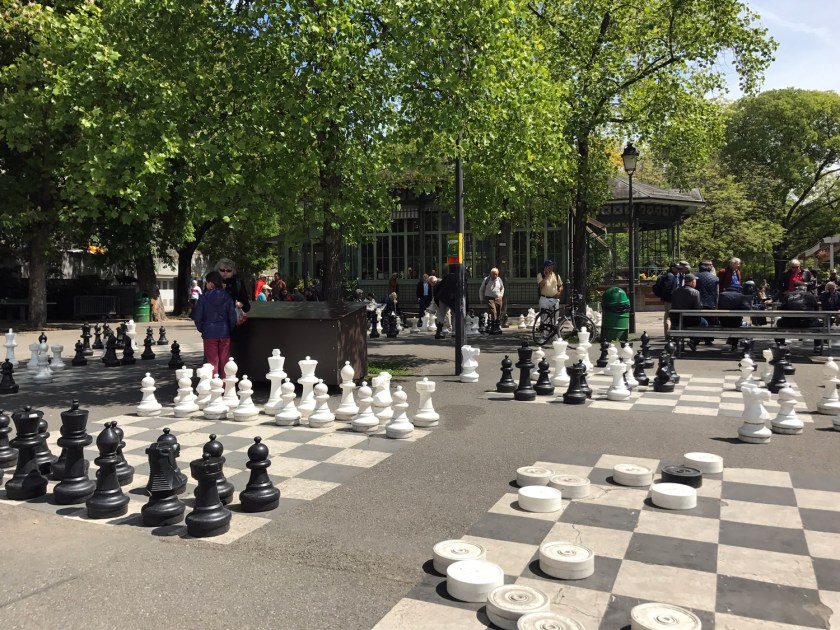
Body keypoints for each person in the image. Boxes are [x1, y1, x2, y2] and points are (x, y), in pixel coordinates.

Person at [193, 270, 237, 378]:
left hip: (209, 333)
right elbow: (232, 317)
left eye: (206, 282)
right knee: (225, 361)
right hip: (224, 332)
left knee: (212, 362)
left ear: (211, 283)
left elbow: (197, 317)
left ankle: (213, 387)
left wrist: (202, 328)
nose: (206, 285)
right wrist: (229, 329)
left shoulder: (203, 298)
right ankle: (224, 386)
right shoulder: (227, 297)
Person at [659, 261, 686, 339]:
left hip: (672, 299)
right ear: (672, 268)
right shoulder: (670, 276)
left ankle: (670, 333)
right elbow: (667, 289)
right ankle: (668, 334)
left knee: (671, 317)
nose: (679, 270)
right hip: (670, 300)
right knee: (668, 316)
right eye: (677, 268)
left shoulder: (676, 275)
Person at [695, 259, 719, 344]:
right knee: (709, 322)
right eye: (711, 265)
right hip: (711, 303)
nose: (712, 266)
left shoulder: (694, 277)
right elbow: (717, 293)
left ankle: (696, 338)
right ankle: (708, 339)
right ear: (707, 266)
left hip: (697, 303)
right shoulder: (715, 278)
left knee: (698, 321)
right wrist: (716, 304)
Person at [478, 267, 505, 334]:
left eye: (496, 274)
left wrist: (501, 295)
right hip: (489, 297)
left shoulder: (499, 280)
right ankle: (493, 326)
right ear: (490, 274)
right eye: (494, 274)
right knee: (493, 310)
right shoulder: (486, 280)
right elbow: (481, 290)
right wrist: (481, 299)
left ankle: (497, 325)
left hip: (498, 297)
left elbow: (502, 288)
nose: (495, 276)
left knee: (498, 311)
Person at [433, 269, 458, 339]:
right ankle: (454, 331)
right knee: (455, 315)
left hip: (442, 297)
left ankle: (439, 332)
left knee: (441, 314)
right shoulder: (458, 278)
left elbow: (438, 287)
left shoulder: (447, 277)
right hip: (452, 298)